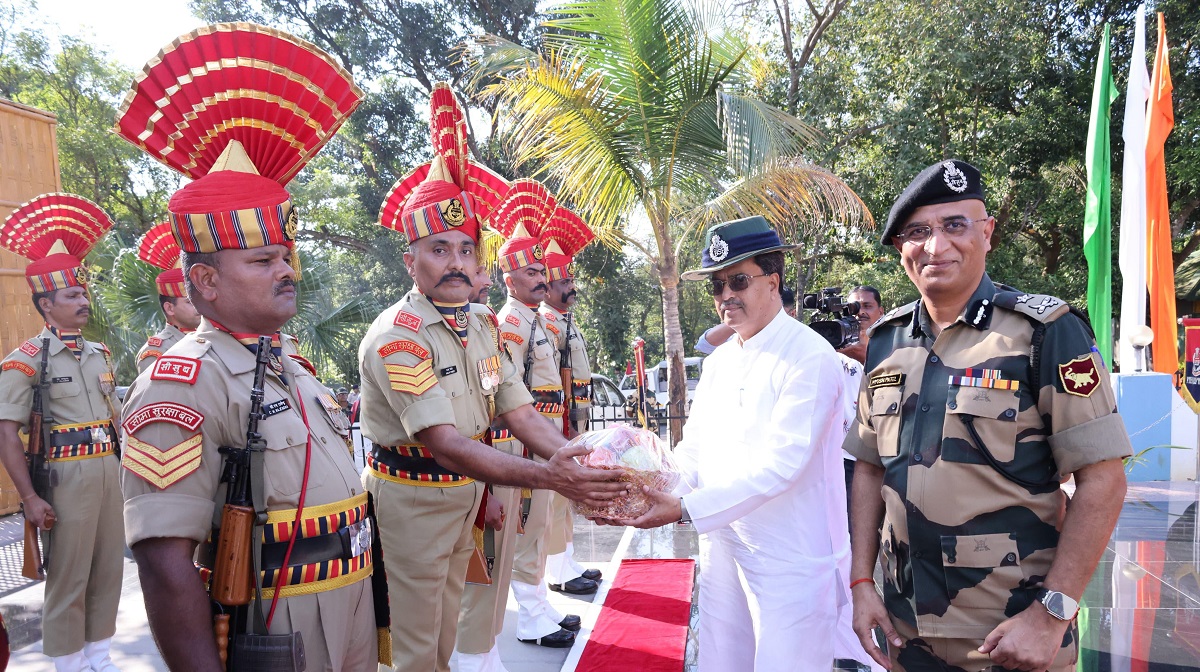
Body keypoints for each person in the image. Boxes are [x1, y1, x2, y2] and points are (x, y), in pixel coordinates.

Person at [115, 24, 379, 670]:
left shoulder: (290, 366)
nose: (287, 271)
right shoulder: (182, 380)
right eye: (263, 260)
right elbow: (164, 561)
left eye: (287, 257)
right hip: (274, 621)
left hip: (350, 610)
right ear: (203, 280)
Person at [362, 83, 625, 671]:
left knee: (452, 629)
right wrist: (555, 477)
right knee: (414, 645)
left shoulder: (479, 322)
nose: (456, 262)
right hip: (412, 501)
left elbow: (520, 410)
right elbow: (446, 442)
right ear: (411, 260)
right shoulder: (397, 334)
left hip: (466, 493)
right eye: (438, 249)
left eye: (465, 249)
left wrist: (581, 462)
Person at [845, 159, 1131, 672]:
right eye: (917, 232)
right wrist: (862, 583)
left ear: (988, 233)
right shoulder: (885, 342)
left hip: (1011, 635)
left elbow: (1103, 480)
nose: (936, 246)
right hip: (905, 630)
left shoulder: (1044, 332)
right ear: (899, 249)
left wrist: (1051, 616)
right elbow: (868, 468)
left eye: (955, 225)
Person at [617, 215, 873, 670]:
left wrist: (684, 509)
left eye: (738, 280)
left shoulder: (809, 356)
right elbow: (693, 450)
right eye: (717, 286)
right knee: (722, 661)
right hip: (723, 546)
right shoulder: (719, 363)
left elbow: (782, 464)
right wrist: (646, 483)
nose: (726, 296)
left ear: (773, 281)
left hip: (789, 555)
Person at [0, 194, 123, 672]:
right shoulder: (25, 358)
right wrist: (29, 497)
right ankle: (68, 662)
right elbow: (6, 432)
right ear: (46, 303)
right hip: (63, 476)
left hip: (108, 470)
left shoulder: (99, 353)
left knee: (108, 568)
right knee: (68, 575)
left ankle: (100, 655)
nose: (82, 301)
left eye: (84, 293)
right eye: (71, 295)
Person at [489, 184, 589, 654]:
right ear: (509, 278)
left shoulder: (531, 319)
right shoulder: (511, 323)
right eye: (530, 272)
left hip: (543, 431)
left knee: (540, 524)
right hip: (523, 439)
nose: (542, 279)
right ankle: (529, 616)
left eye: (540, 271)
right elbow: (506, 391)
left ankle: (539, 606)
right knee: (527, 528)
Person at [538, 208, 604, 598]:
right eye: (564, 280)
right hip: (558, 422)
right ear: (545, 286)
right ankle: (558, 571)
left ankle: (567, 560)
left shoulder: (564, 319)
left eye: (571, 278)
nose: (571, 286)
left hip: (574, 420)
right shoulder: (545, 323)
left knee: (566, 500)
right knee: (555, 501)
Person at [135, 222, 202, 372]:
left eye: (199, 300)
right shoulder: (157, 351)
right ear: (170, 308)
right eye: (189, 302)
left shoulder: (211, 339)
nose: (199, 307)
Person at [694, 286, 795, 355]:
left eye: (777, 312)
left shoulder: (797, 342)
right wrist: (744, 318)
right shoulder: (740, 338)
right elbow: (705, 345)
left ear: (792, 314)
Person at [838, 285, 884, 365]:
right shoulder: (840, 342)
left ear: (880, 311)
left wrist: (865, 358)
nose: (860, 312)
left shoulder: (893, 339)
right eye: (854, 308)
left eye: (867, 306)